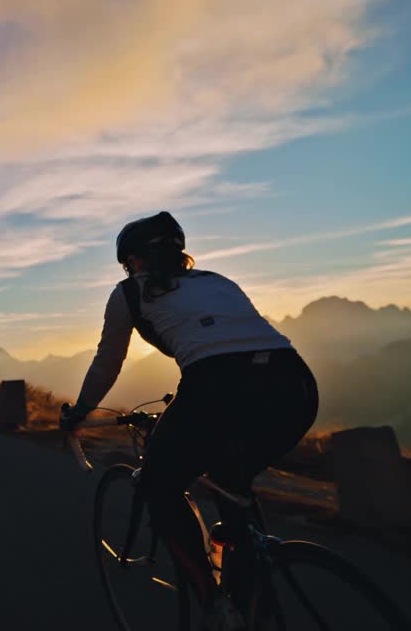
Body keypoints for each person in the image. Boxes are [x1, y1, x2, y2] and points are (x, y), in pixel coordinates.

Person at [60, 211, 318, 631]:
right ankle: (249, 580)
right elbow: (236, 341)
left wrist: (80, 412)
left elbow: (108, 362)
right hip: (295, 386)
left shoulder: (130, 292)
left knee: (158, 485)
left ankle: (217, 607)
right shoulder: (219, 282)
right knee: (229, 479)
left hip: (216, 387)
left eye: (128, 264)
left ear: (135, 261)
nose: (128, 271)